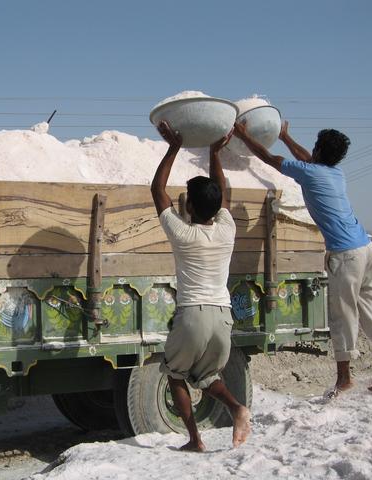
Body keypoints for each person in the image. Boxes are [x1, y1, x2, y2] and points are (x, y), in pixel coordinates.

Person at [233, 120, 372, 394]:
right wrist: (285, 136)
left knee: (342, 315)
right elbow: (307, 159)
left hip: (346, 255)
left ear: (320, 151)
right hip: (367, 249)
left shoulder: (310, 172)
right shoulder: (336, 174)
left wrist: (243, 134)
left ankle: (344, 378)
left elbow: (269, 158)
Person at [151, 121, 251, 452]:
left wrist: (174, 146)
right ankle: (237, 408)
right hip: (223, 317)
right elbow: (219, 190)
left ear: (189, 208)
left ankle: (195, 439)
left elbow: (157, 190)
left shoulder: (183, 234)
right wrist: (214, 152)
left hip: (192, 314)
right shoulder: (227, 229)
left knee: (177, 374)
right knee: (207, 377)